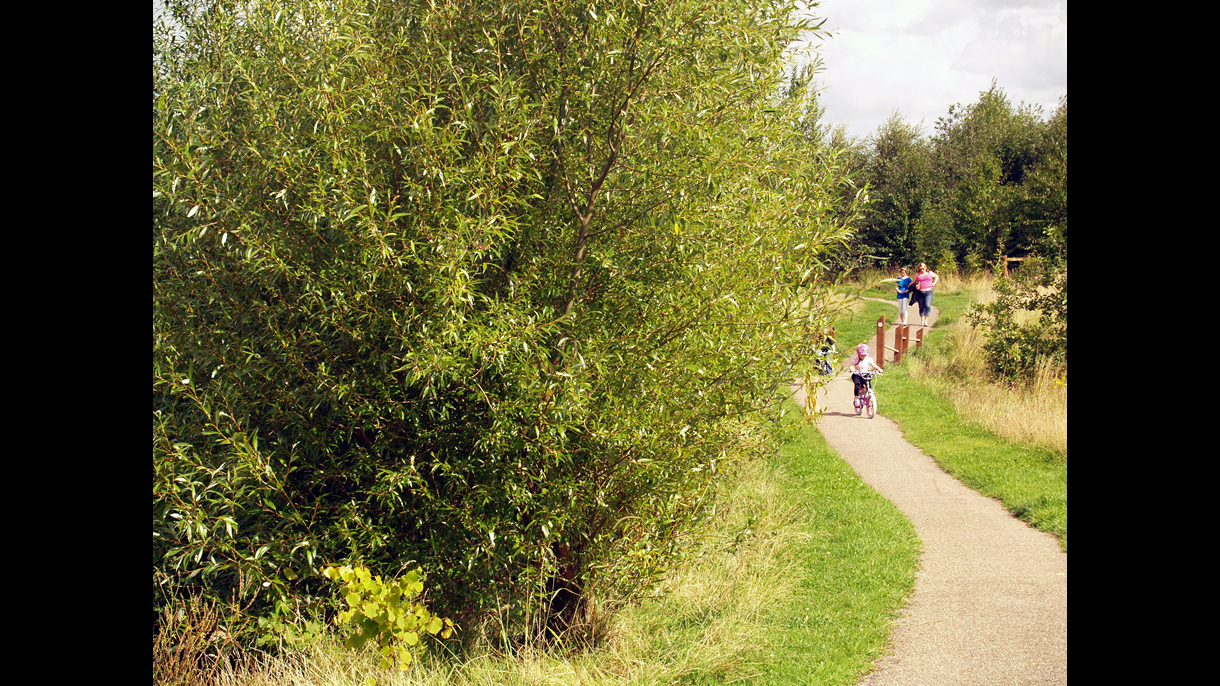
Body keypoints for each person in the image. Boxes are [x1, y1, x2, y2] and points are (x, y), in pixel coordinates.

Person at [849, 343, 883, 409]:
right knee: (857, 384)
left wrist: (879, 369)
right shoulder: (856, 359)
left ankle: (869, 395)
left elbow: (874, 365)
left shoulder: (868, 359)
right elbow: (852, 365)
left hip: (865, 374)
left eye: (864, 355)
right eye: (862, 355)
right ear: (858, 354)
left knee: (868, 383)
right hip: (857, 374)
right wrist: (852, 369)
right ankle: (856, 399)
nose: (863, 357)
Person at [913, 262, 939, 327]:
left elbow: (936, 276)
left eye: (923, 268)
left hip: (928, 292)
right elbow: (914, 282)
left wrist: (934, 283)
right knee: (921, 307)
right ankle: (922, 321)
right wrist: (916, 286)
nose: (922, 270)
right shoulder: (917, 274)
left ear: (925, 268)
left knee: (927, 305)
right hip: (920, 292)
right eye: (920, 269)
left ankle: (926, 320)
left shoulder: (930, 273)